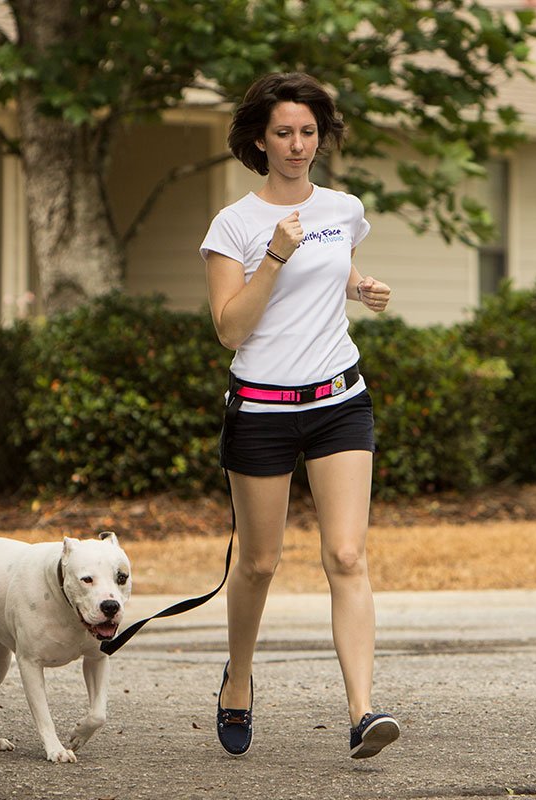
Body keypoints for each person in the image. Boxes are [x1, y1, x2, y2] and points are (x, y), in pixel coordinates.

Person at [199, 72, 399, 760]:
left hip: (339, 399)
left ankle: (363, 711)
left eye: (308, 131)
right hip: (260, 408)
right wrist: (275, 257)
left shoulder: (343, 206)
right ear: (260, 138)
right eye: (283, 132)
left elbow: (338, 267)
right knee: (257, 564)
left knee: (347, 554)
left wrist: (361, 287)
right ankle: (239, 678)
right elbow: (230, 329)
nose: (297, 144)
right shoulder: (236, 225)